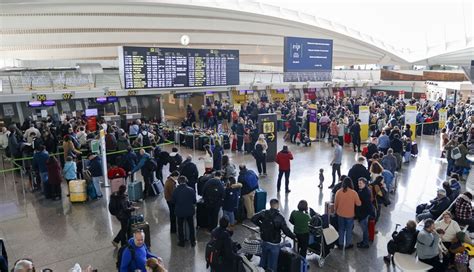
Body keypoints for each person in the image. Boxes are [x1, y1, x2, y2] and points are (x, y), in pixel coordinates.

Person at [251, 199, 297, 272]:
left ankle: (260, 270)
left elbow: (253, 218)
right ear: (277, 205)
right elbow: (286, 231)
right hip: (274, 244)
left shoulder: (264, 213)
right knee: (273, 264)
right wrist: (294, 237)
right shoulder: (280, 217)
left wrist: (261, 225)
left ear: (270, 205)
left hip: (264, 241)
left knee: (263, 259)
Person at [334, 177, 361, 249]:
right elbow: (358, 204)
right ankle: (348, 244)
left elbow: (335, 204)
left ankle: (340, 244)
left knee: (341, 229)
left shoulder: (339, 192)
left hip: (340, 214)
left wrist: (335, 211)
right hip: (350, 215)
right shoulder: (354, 193)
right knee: (349, 229)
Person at [172, 176, 197, 247]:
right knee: (191, 227)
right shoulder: (191, 190)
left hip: (179, 212)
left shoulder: (176, 190)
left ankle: (181, 242)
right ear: (186, 181)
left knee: (180, 227)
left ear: (179, 182)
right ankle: (193, 242)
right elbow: (194, 201)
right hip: (189, 211)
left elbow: (173, 201)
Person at [355, 178, 373, 248]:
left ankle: (365, 243)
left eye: (361, 183)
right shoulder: (365, 190)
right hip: (365, 213)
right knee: (364, 228)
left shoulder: (363, 193)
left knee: (364, 229)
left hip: (364, 214)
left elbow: (363, 204)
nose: (359, 184)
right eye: (358, 183)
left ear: (365, 184)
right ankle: (364, 241)